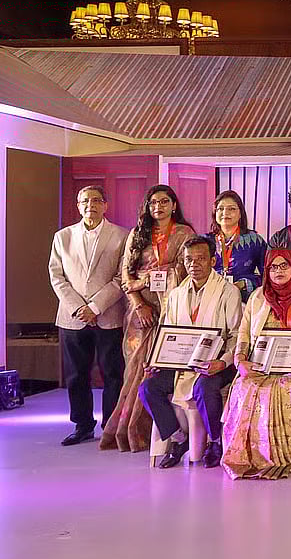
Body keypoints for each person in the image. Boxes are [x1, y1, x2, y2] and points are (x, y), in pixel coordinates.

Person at [222, 248, 291, 479]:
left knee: (288, 389)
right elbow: (244, 333)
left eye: (284, 266)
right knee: (246, 388)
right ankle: (251, 455)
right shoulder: (258, 297)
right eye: (273, 267)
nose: (279, 271)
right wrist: (240, 360)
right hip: (261, 366)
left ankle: (287, 455)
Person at [101, 185, 195, 452]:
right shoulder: (137, 234)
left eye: (164, 202)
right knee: (135, 370)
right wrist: (139, 302)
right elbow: (126, 277)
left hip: (172, 309)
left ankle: (163, 431)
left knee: (160, 368)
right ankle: (129, 431)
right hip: (139, 313)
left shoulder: (184, 233)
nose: (159, 207)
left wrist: (145, 280)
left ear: (174, 205)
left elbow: (185, 270)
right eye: (153, 203)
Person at [138, 235, 242, 469]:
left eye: (200, 259)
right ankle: (178, 438)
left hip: (217, 363)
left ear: (212, 260)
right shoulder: (175, 295)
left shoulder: (228, 292)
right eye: (189, 260)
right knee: (148, 388)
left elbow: (237, 335)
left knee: (205, 388)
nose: (194, 265)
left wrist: (223, 362)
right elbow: (166, 333)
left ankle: (215, 440)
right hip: (182, 363)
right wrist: (157, 360)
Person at [48, 185, 129, 447]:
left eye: (95, 200)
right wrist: (78, 308)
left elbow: (121, 277)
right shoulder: (63, 237)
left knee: (112, 374)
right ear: (78, 205)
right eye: (84, 201)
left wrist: (95, 307)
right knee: (76, 374)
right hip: (72, 317)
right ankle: (82, 425)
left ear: (106, 205)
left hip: (108, 315)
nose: (89, 205)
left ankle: (111, 426)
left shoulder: (121, 235)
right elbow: (56, 276)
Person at [210, 190, 267, 303]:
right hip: (212, 298)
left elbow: (268, 275)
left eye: (231, 209)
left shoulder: (254, 240)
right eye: (220, 209)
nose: (225, 212)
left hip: (244, 300)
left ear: (240, 213)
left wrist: (244, 283)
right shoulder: (206, 241)